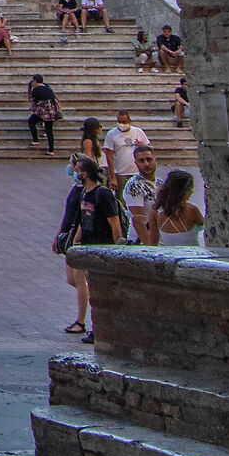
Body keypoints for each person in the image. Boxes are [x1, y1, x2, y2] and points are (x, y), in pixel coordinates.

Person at [60, 155, 125, 336]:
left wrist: (117, 248)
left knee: (92, 287)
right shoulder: (84, 192)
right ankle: (91, 324)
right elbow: (82, 219)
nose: (74, 172)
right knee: (78, 281)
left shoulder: (102, 194)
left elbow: (115, 223)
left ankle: (87, 324)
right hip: (86, 244)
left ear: (86, 173)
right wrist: (75, 242)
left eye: (78, 170)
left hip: (101, 244)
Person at [148, 169, 206, 246]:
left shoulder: (155, 212)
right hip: (191, 256)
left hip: (169, 256)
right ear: (185, 190)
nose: (192, 191)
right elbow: (203, 225)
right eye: (191, 188)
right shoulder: (191, 210)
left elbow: (153, 242)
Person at [120, 144, 162, 240]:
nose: (146, 164)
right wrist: (149, 248)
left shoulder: (161, 184)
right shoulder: (133, 186)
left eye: (149, 159)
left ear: (155, 160)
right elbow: (138, 221)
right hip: (141, 240)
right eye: (141, 161)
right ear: (136, 163)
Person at [103, 109, 150, 191]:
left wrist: (142, 145)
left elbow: (150, 149)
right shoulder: (111, 134)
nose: (121, 124)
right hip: (120, 174)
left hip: (137, 173)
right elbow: (109, 156)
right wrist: (113, 176)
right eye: (119, 122)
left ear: (129, 121)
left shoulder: (138, 132)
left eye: (124, 122)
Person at [26, 74, 61, 152]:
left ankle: (35, 140)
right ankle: (51, 150)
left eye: (32, 80)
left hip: (42, 112)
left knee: (31, 121)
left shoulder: (36, 89)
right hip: (52, 111)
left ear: (35, 81)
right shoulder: (47, 88)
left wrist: (29, 91)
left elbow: (33, 101)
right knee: (49, 131)